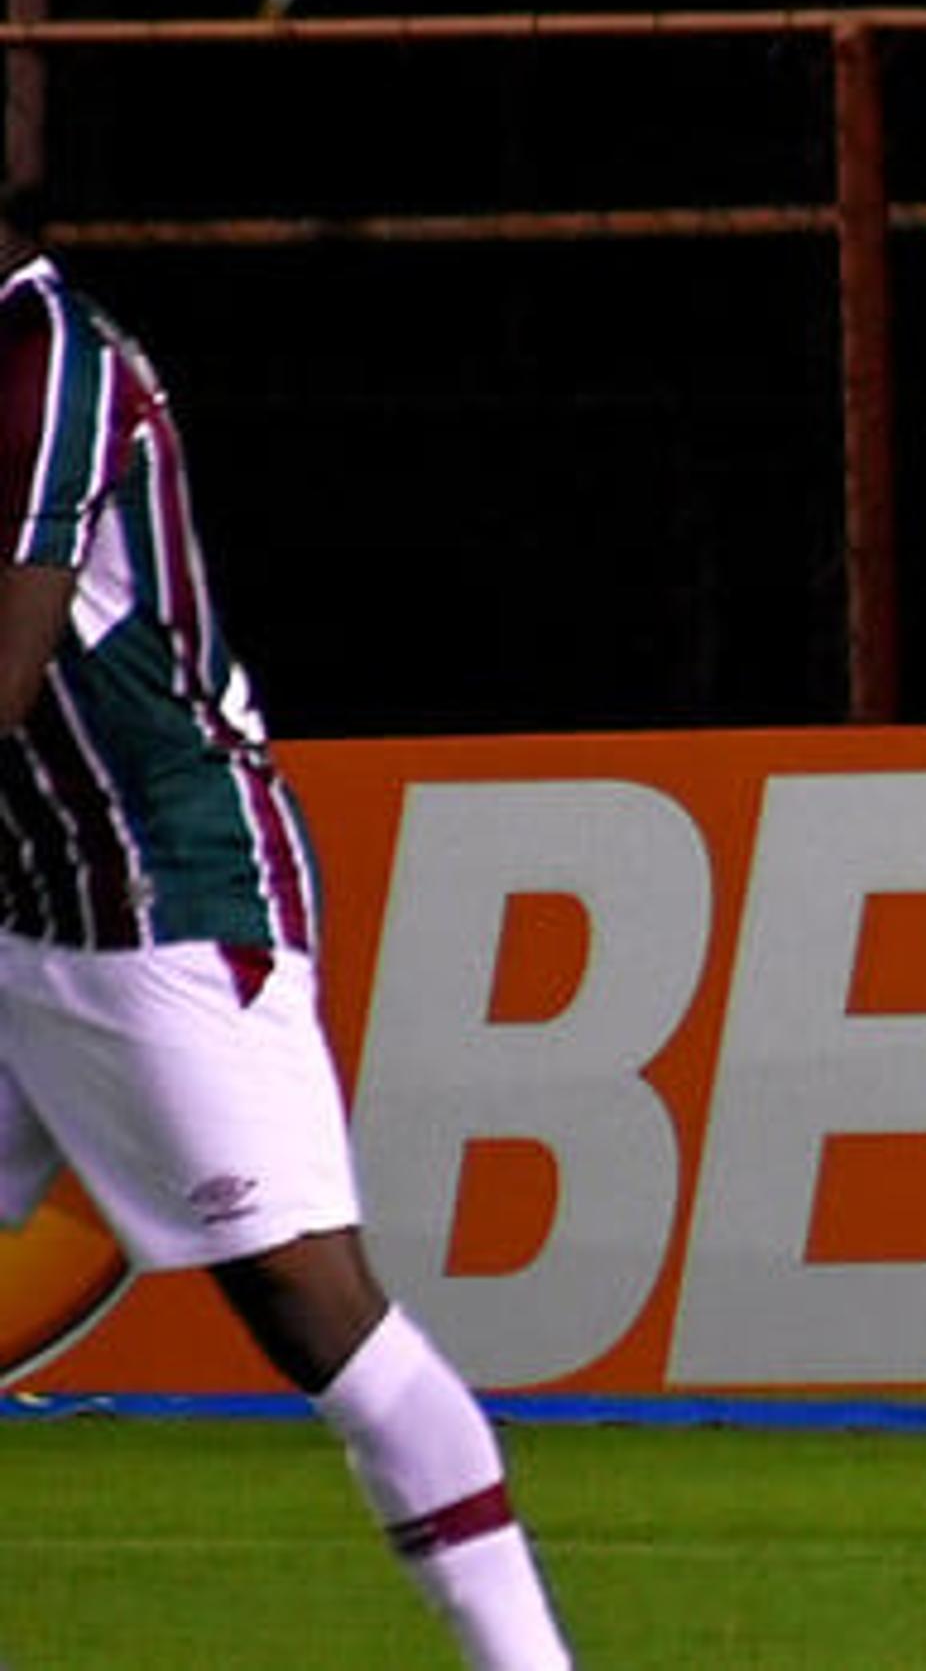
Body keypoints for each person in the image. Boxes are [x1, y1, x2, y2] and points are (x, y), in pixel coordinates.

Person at [0, 186, 574, 1667]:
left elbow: (16, 643)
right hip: (25, 905)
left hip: (164, 899)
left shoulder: (50, 360)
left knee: (312, 1303)